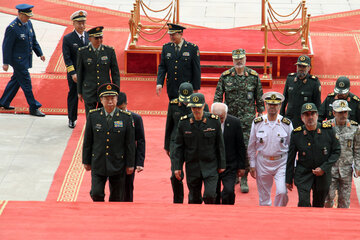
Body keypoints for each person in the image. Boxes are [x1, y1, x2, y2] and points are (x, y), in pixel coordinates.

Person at [214, 48, 265, 193]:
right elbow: (218, 98)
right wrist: (217, 115)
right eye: (236, 60)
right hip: (229, 120)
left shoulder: (253, 76)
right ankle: (233, 173)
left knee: (246, 148)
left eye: (241, 59)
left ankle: (244, 178)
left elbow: (259, 98)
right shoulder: (225, 76)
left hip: (248, 120)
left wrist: (260, 115)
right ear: (232, 60)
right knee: (230, 147)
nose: (239, 62)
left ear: (245, 59)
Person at [82, 83, 135, 202]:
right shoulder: (93, 116)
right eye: (107, 98)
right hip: (98, 162)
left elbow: (130, 144)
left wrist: (130, 164)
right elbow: (88, 141)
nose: (110, 101)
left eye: (113, 98)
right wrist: (86, 161)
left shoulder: (126, 118)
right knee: (96, 193)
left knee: (116, 198)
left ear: (117, 99)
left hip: (117, 164)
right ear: (101, 100)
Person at [172, 93, 226, 204]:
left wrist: (222, 164)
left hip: (210, 166)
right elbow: (179, 147)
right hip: (193, 166)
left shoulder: (213, 121)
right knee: (194, 199)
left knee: (210, 195)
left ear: (203, 106)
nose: (196, 110)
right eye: (193, 107)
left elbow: (220, 145)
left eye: (198, 107)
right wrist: (177, 167)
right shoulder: (184, 123)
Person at [286, 103, 341, 207]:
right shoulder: (297, 134)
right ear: (302, 117)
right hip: (303, 172)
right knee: (303, 202)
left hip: (322, 174)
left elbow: (336, 151)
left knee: (318, 205)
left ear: (317, 115)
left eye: (313, 114)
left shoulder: (328, 130)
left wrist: (324, 168)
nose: (310, 117)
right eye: (306, 115)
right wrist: (288, 179)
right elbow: (291, 157)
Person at [164, 82, 209, 203]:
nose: (185, 103)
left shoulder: (202, 105)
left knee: (194, 173)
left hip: (193, 142)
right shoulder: (173, 105)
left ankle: (193, 198)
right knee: (175, 174)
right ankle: (178, 200)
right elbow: (169, 126)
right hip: (176, 143)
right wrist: (167, 145)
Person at [248, 92, 293, 206]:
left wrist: (293, 167)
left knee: (282, 192)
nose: (272, 107)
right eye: (270, 104)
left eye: (275, 104)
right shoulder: (257, 123)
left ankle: (278, 214)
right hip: (263, 161)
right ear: (265, 105)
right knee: (264, 196)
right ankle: (266, 217)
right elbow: (252, 145)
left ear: (279, 106)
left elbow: (292, 147)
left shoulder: (286, 124)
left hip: (281, 162)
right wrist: (252, 164)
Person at [0, 4, 46, 116]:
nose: (29, 18)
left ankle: (3, 102)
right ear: (20, 14)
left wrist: (40, 53)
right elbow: (6, 46)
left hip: (26, 59)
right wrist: (5, 63)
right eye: (26, 16)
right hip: (18, 61)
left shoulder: (28, 23)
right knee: (26, 83)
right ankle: (33, 107)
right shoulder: (12, 28)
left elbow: (33, 40)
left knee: (15, 81)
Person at [324, 100, 360, 208]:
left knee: (344, 201)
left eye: (345, 112)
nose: (343, 115)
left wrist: (358, 166)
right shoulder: (326, 127)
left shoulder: (354, 128)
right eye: (340, 112)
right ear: (334, 113)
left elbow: (357, 149)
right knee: (328, 199)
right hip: (330, 169)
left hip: (346, 169)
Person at [77, 26, 120, 116]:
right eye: (96, 38)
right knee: (90, 115)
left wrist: (116, 90)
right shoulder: (83, 52)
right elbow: (80, 73)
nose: (99, 40)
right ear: (90, 39)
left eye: (101, 37)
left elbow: (115, 72)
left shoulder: (109, 51)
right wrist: (79, 91)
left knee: (103, 115)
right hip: (89, 89)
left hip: (104, 89)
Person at [211, 102, 246, 205]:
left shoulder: (235, 122)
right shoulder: (206, 122)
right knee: (213, 193)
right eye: (216, 117)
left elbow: (240, 146)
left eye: (221, 118)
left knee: (229, 191)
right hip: (213, 164)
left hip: (230, 165)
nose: (219, 121)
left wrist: (242, 166)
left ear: (226, 114)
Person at [156, 23, 201, 100]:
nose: (171, 37)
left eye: (174, 35)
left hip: (187, 86)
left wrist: (195, 88)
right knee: (173, 108)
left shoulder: (192, 48)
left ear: (181, 34)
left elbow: (196, 69)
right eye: (170, 35)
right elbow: (162, 67)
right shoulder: (166, 48)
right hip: (172, 86)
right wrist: (159, 83)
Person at [62, 10, 89, 128]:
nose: (82, 26)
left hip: (88, 72)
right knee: (73, 94)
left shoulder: (88, 36)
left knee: (90, 95)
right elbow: (67, 59)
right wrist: (72, 73)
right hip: (75, 73)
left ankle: (91, 118)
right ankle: (72, 118)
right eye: (79, 23)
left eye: (83, 23)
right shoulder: (68, 38)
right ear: (73, 23)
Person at [117, 91, 145, 202]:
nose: (120, 112)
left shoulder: (136, 118)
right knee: (115, 187)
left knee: (128, 187)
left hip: (129, 159)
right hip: (114, 158)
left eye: (122, 109)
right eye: (118, 109)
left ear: (127, 103)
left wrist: (140, 162)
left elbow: (141, 140)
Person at [280, 55, 321, 128]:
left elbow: (317, 104)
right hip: (290, 118)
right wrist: (281, 116)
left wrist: (317, 121)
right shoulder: (290, 79)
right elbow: (284, 99)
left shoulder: (314, 82)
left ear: (309, 68)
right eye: (299, 66)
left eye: (304, 67)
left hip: (305, 120)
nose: (301, 69)